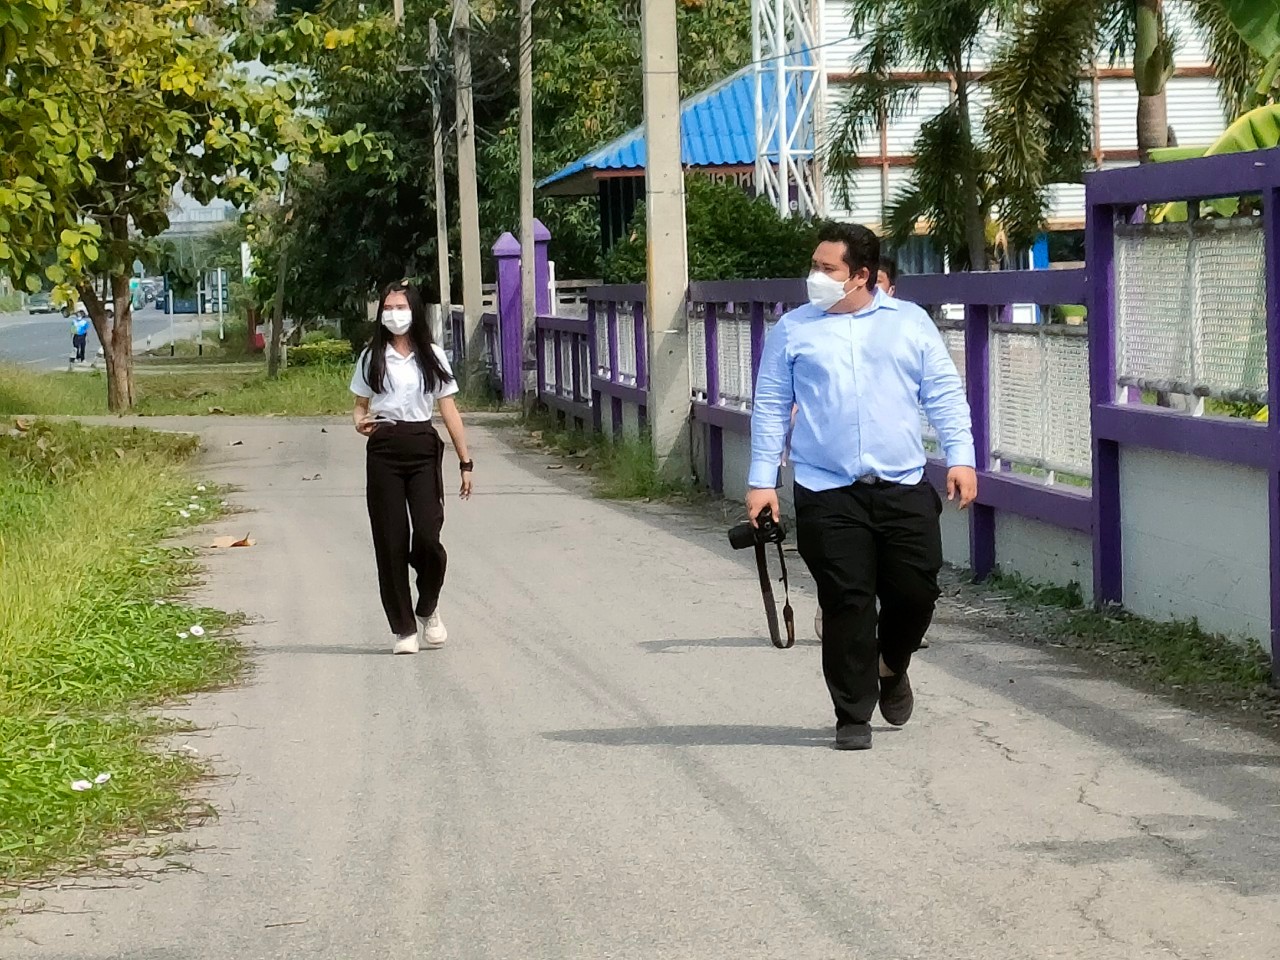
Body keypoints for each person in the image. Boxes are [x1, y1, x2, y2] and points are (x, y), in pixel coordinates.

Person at [748, 223, 977, 751]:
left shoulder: (909, 324)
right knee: (846, 600)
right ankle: (852, 714)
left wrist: (961, 458)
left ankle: (891, 665)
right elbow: (771, 407)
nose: (815, 276)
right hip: (827, 490)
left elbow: (943, 393)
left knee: (916, 593)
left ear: (861, 276)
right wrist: (762, 482)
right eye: (815, 265)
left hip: (902, 484)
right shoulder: (793, 330)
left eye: (827, 268)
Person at [351, 281, 474, 656]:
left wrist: (465, 462)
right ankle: (403, 629)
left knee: (427, 537)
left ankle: (427, 605)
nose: (394, 314)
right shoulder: (372, 356)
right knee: (390, 542)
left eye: (400, 307)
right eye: (388, 308)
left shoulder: (430, 355)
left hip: (422, 445)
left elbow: (448, 409)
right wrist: (360, 423)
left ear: (414, 311)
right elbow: (360, 405)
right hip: (384, 447)